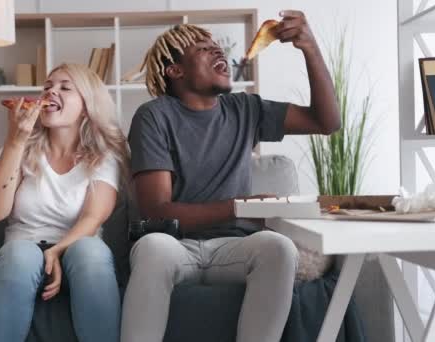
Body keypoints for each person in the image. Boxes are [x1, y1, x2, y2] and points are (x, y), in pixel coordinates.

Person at [122, 10, 340, 342]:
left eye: (217, 47)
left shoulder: (245, 109)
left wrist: (308, 46)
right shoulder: (154, 116)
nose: (217, 51)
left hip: (235, 248)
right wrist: (240, 206)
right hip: (175, 246)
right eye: (202, 48)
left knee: (279, 248)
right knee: (152, 248)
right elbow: (156, 211)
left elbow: (327, 122)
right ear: (175, 70)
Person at [0, 63, 129, 342]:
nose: (51, 92)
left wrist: (57, 251)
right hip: (23, 249)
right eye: (47, 87)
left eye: (64, 87)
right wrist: (16, 141)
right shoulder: (21, 147)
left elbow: (93, 217)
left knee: (90, 251)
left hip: (77, 248)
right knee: (19, 254)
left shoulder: (104, 154)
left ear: (86, 105)